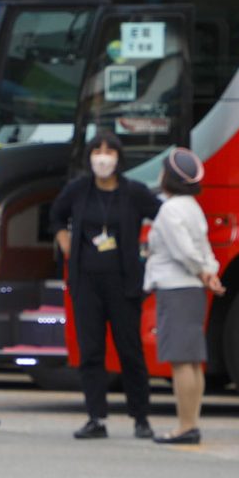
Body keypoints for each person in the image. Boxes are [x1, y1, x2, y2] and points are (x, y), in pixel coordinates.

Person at [52, 133, 161, 439]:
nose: (103, 157)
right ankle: (95, 417)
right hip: (86, 281)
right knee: (91, 350)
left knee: (130, 351)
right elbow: (56, 215)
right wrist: (62, 236)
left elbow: (163, 218)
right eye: (97, 151)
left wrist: (153, 250)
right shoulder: (78, 191)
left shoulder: (134, 192)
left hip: (123, 282)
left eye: (109, 151)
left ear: (118, 157)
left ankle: (141, 417)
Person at [144, 146, 221, 446]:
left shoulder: (169, 210)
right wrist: (210, 272)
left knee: (180, 361)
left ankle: (185, 426)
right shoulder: (192, 206)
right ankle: (191, 422)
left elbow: (183, 250)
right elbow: (201, 246)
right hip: (192, 289)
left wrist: (202, 271)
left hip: (175, 288)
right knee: (192, 360)